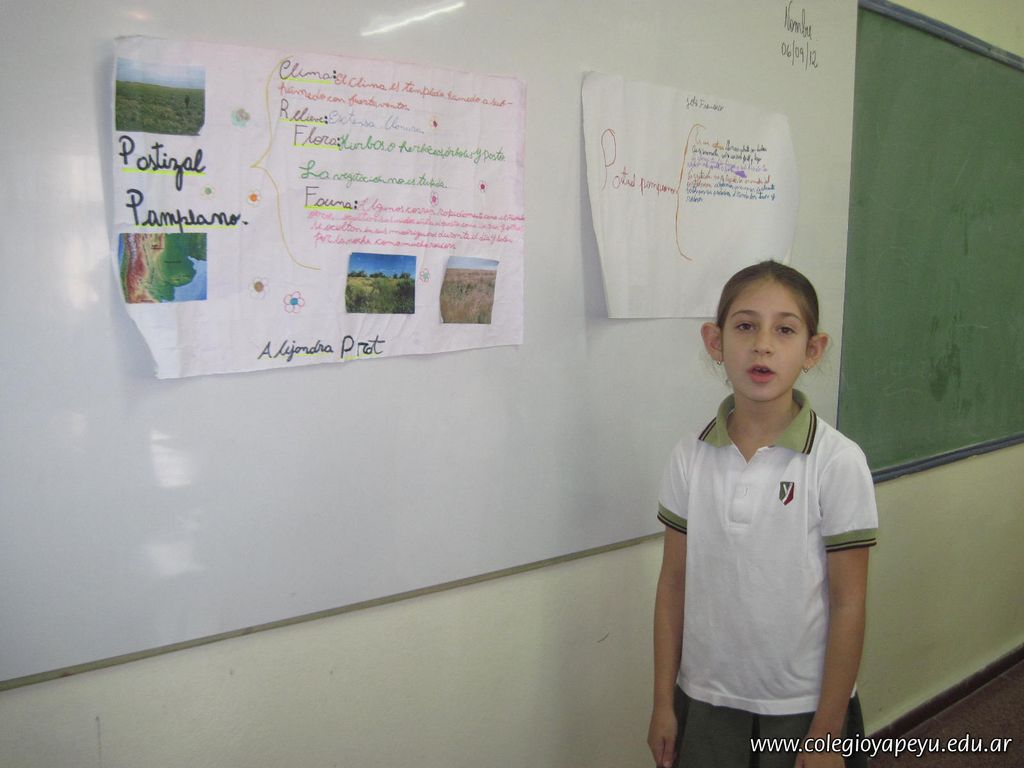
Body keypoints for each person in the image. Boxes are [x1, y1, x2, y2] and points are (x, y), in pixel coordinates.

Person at [647, 261, 878, 768]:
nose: (763, 345)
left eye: (785, 330)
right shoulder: (690, 456)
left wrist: (827, 733)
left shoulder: (837, 462)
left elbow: (849, 604)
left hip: (804, 708)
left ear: (812, 350)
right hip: (704, 699)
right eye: (746, 326)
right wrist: (664, 702)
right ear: (715, 341)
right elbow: (672, 586)